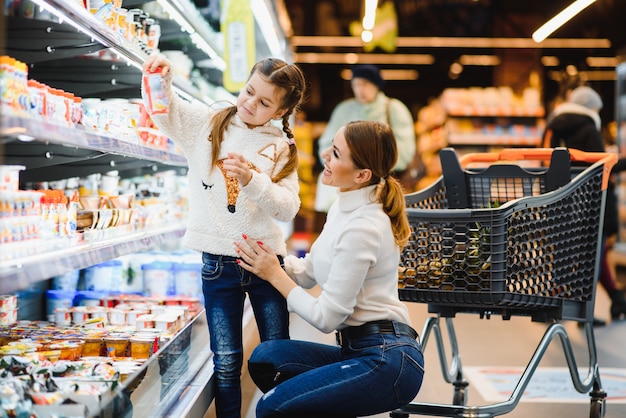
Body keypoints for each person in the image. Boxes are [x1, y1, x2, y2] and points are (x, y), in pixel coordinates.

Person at [142, 55, 307, 418]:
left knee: (277, 355)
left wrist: (252, 180)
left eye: (264, 102)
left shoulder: (282, 147)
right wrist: (159, 79)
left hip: (266, 266)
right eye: (249, 92)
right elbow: (167, 112)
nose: (250, 103)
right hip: (217, 262)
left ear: (280, 111)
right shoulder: (210, 123)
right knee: (227, 362)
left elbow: (287, 208)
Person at [235, 120, 425, 417]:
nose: (325, 154)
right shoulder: (342, 208)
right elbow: (310, 270)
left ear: (362, 175)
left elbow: (327, 317)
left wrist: (274, 274)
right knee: (267, 359)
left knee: (271, 408)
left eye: (335, 153)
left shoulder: (364, 227)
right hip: (359, 349)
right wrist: (268, 257)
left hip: (388, 360)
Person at [543, 85, 626, 323]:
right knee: (592, 258)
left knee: (564, 256)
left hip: (560, 201)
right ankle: (583, 313)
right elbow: (601, 165)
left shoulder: (553, 127)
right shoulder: (588, 128)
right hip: (589, 202)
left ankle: (559, 307)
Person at [315, 64, 419, 212]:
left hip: (382, 183)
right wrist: (338, 166)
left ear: (376, 85)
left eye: (365, 84)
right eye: (356, 84)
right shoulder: (343, 110)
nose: (360, 89)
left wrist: (374, 166)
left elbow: (405, 149)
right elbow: (327, 144)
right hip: (345, 185)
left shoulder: (394, 109)